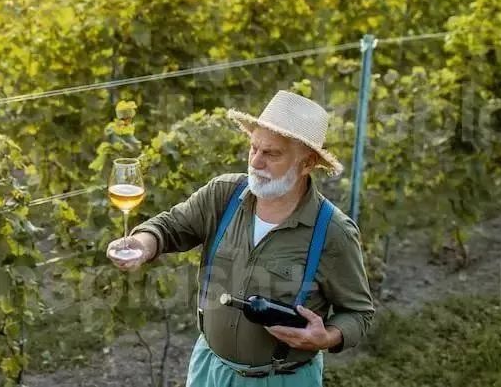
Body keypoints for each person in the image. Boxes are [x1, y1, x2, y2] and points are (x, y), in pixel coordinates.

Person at [107, 91, 375, 386]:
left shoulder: (333, 232)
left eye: (272, 153)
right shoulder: (224, 194)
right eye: (253, 148)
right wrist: (142, 244)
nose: (256, 162)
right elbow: (171, 226)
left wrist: (328, 337)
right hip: (209, 371)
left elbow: (358, 313)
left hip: (281, 380)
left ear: (307, 163)